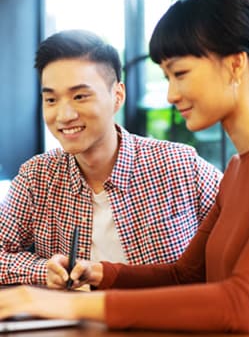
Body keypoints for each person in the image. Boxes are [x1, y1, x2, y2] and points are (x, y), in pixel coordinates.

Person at [0, 0, 249, 333]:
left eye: (179, 74)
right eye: (166, 77)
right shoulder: (239, 168)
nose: (170, 94)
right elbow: (186, 275)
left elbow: (241, 303)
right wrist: (102, 272)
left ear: (235, 64)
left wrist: (61, 302)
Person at [0, 29, 222, 286]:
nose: (64, 115)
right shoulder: (37, 177)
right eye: (51, 99)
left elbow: (239, 246)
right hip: (76, 325)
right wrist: (42, 271)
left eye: (80, 96)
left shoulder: (179, 165)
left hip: (171, 323)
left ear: (117, 96)